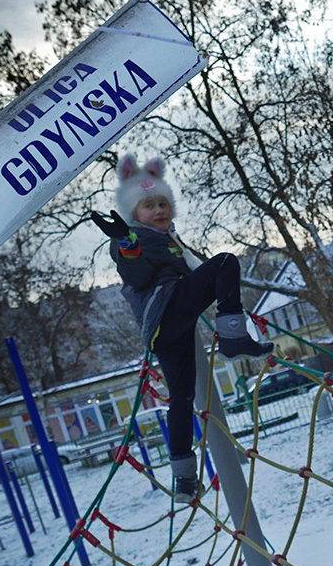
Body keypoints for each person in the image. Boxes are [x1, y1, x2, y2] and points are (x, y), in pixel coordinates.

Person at [91, 154, 273, 503]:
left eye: (163, 203)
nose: (159, 210)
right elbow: (138, 275)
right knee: (224, 262)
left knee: (182, 398)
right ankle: (234, 338)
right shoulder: (133, 239)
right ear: (133, 213)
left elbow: (190, 270)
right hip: (169, 308)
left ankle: (185, 479)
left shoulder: (167, 238)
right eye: (148, 205)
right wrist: (127, 244)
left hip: (165, 331)